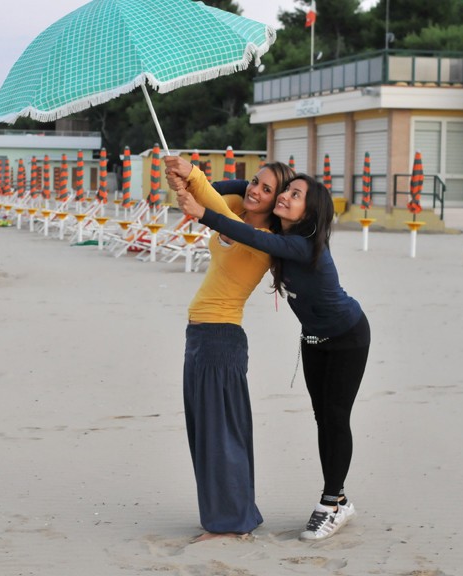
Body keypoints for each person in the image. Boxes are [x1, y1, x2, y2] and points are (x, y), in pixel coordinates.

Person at [174, 170, 369, 542]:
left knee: (334, 417)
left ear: (309, 211)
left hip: (348, 335)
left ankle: (332, 502)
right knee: (321, 416)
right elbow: (236, 199)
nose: (284, 198)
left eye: (294, 195)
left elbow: (243, 232)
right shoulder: (279, 235)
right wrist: (249, 186)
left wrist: (202, 211)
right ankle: (338, 497)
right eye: (286, 192)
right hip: (313, 337)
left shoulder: (300, 245)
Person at [163, 156, 294, 542]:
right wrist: (183, 183)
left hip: (221, 338)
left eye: (267, 190)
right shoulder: (240, 209)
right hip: (202, 337)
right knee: (208, 432)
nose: (254, 190)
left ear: (277, 202)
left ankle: (230, 524)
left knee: (221, 435)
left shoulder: (266, 241)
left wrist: (195, 175)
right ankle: (234, 514)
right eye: (255, 181)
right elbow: (218, 199)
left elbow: (216, 211)